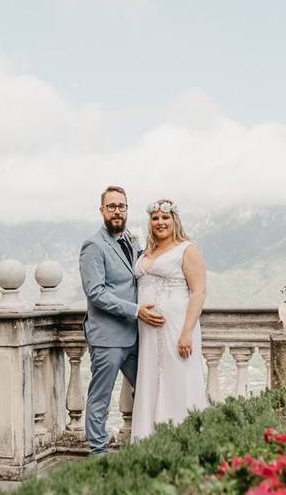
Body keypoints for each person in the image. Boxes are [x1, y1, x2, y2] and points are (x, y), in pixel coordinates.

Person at [79, 185, 165, 455]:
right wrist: (136, 310)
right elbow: (96, 293)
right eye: (112, 206)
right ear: (102, 210)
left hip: (135, 335)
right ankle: (98, 453)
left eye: (122, 206)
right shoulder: (93, 246)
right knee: (100, 398)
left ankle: (147, 442)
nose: (117, 211)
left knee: (150, 389)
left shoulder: (132, 240)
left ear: (127, 210)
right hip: (107, 337)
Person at [131, 198, 208, 442]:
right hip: (148, 332)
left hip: (177, 328)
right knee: (151, 380)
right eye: (155, 218)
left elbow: (198, 292)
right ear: (150, 222)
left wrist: (186, 332)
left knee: (179, 380)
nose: (160, 222)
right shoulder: (146, 251)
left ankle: (181, 440)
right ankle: (148, 440)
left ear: (175, 220)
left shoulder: (187, 249)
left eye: (165, 217)